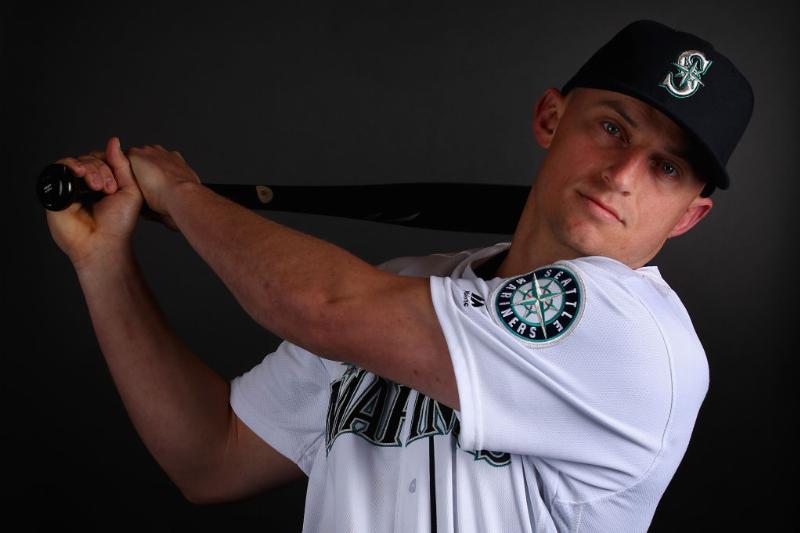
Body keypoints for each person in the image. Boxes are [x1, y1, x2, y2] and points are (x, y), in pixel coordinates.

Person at [44, 19, 753, 533]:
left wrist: (181, 194)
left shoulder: (636, 337)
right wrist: (104, 262)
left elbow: (321, 304)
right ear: (550, 116)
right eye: (612, 127)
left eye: (665, 167)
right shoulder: (409, 289)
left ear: (688, 216)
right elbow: (210, 456)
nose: (623, 175)